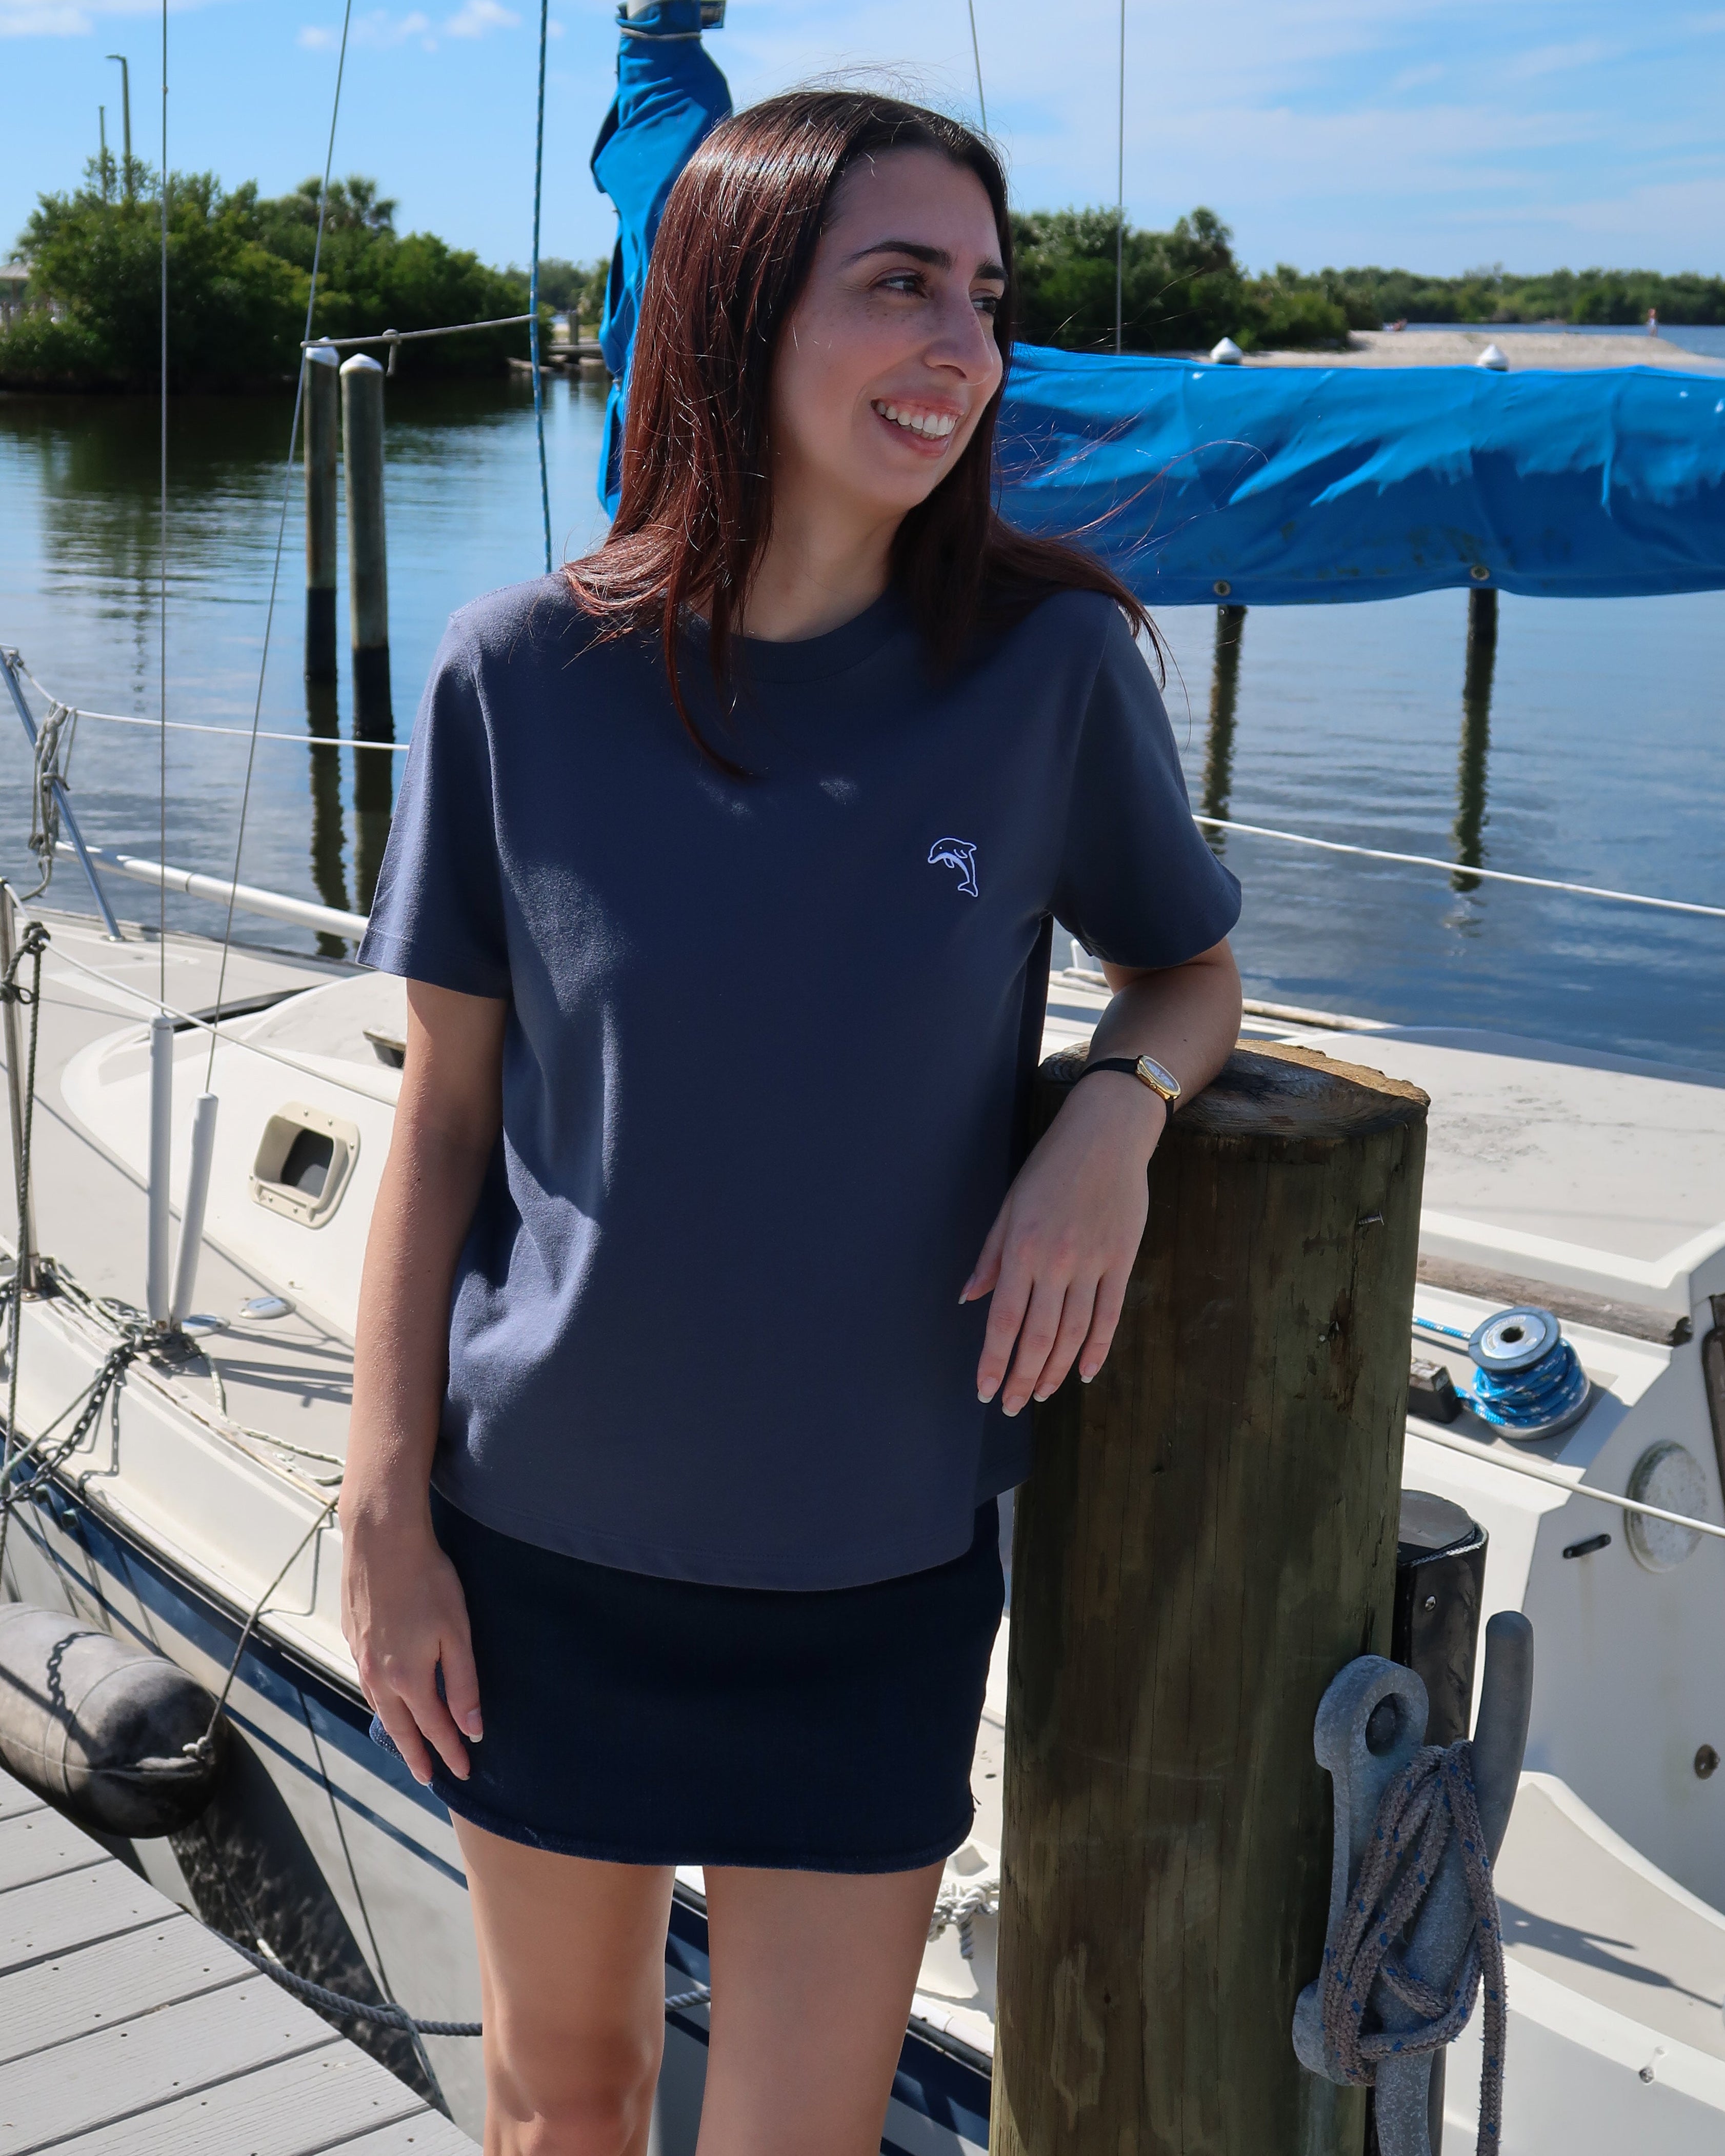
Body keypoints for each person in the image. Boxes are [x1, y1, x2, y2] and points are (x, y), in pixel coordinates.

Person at [341, 90, 1242, 2156]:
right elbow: (448, 1118)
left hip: (875, 1570)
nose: (965, 349)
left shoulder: (1045, 669)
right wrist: (383, 1504)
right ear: (734, 311)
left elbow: (1189, 968)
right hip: (540, 1545)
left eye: (987, 299)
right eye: (900, 285)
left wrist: (1115, 1108)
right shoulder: (517, 676)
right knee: (560, 2108)